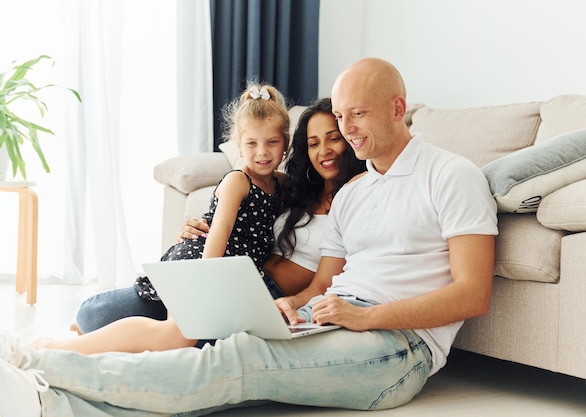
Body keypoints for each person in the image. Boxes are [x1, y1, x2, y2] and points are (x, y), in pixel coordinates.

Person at [0, 57, 498, 417]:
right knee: (218, 359)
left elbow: (472, 294)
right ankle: (52, 402)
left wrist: (365, 315)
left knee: (235, 363)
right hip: (333, 320)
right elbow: (324, 282)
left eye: (357, 115)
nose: (345, 129)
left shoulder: (451, 175)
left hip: (399, 348)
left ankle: (38, 366)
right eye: (340, 116)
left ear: (397, 107)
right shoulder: (354, 193)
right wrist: (295, 306)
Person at [30, 97, 367, 355]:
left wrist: (291, 303)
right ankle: (89, 337)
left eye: (333, 138)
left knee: (177, 335)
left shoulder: (358, 197)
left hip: (259, 293)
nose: (324, 150)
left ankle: (63, 348)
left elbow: (324, 281)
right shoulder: (294, 188)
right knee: (96, 313)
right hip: (228, 273)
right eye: (313, 142)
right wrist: (201, 226)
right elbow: (233, 218)